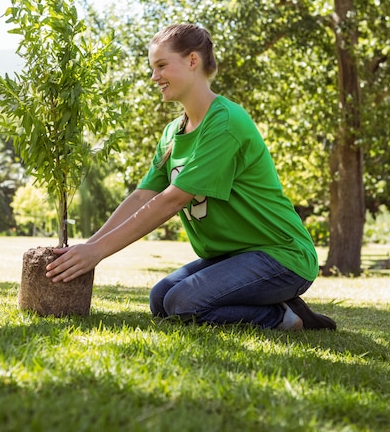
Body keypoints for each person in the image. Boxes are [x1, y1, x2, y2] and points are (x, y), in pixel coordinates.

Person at [46, 23, 336, 331]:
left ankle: (285, 317)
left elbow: (172, 200)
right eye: (151, 68)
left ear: (192, 61)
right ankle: (267, 301)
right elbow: (143, 196)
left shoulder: (225, 122)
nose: (154, 77)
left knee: (183, 304)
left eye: (161, 65)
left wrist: (98, 253)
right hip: (234, 256)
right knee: (160, 299)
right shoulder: (173, 133)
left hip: (281, 256)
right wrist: (89, 247)